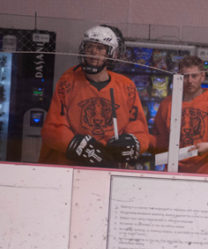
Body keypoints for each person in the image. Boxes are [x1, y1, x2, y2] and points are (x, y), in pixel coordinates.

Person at [40, 24, 149, 167]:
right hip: (71, 166)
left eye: (100, 48)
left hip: (111, 166)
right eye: (89, 47)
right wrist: (74, 145)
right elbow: (53, 128)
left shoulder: (126, 86)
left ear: (111, 53)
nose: (93, 52)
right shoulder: (68, 81)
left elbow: (139, 129)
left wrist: (134, 143)